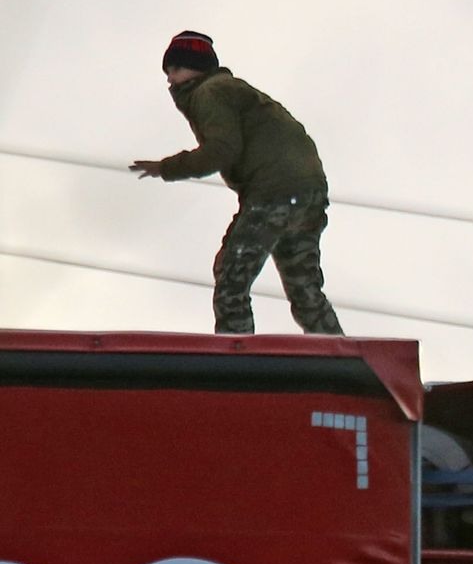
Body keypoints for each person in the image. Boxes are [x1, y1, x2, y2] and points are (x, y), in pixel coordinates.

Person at [131, 31, 343, 337]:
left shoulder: (210, 93)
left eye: (175, 69)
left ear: (196, 68)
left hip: (274, 193)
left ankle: (238, 355)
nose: (170, 80)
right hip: (308, 192)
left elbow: (221, 150)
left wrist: (166, 167)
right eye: (167, 72)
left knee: (231, 277)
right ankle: (341, 356)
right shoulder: (232, 90)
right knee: (304, 285)